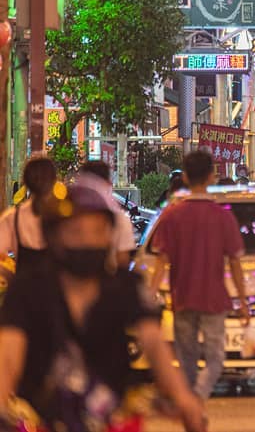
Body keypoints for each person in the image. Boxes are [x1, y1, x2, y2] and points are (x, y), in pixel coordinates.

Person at [0, 183, 205, 432]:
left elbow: (153, 343)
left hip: (112, 418)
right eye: (76, 232)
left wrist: (183, 397)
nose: (87, 241)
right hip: (41, 419)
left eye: (97, 231)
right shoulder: (28, 288)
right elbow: (9, 355)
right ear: (54, 236)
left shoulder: (125, 285)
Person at [150, 150, 248, 401]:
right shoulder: (223, 216)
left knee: (186, 359)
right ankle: (197, 400)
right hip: (215, 300)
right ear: (212, 176)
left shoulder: (172, 216)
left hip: (181, 298)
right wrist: (243, 300)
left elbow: (161, 261)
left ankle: (190, 403)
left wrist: (150, 297)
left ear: (184, 176)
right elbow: (235, 262)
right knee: (215, 359)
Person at [0, 156, 58, 283]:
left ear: (25, 182)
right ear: (54, 181)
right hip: (56, 296)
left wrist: (12, 278)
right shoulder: (65, 216)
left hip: (21, 295)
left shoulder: (12, 218)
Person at [75, 161, 137, 270]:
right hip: (107, 280)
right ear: (108, 183)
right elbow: (122, 259)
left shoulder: (68, 215)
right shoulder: (120, 218)